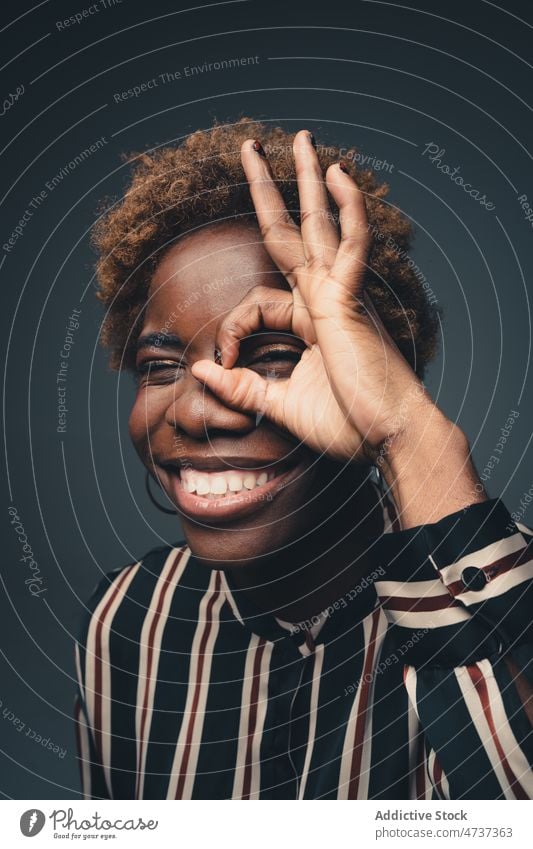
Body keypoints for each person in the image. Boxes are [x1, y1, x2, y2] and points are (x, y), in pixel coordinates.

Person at [75, 118, 533, 800]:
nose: (200, 410)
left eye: (273, 358)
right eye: (161, 364)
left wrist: (407, 433)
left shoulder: (508, 595)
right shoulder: (126, 622)